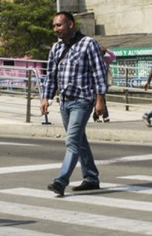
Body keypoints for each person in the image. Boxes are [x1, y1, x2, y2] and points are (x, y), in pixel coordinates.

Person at [41, 11, 109, 196]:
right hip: (64, 101)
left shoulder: (88, 43)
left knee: (71, 140)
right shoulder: (56, 48)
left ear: (70, 24)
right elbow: (51, 75)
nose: (56, 29)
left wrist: (100, 100)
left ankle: (61, 181)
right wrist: (46, 97)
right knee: (79, 140)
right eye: (54, 25)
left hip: (82, 100)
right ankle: (91, 177)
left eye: (59, 25)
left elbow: (99, 72)